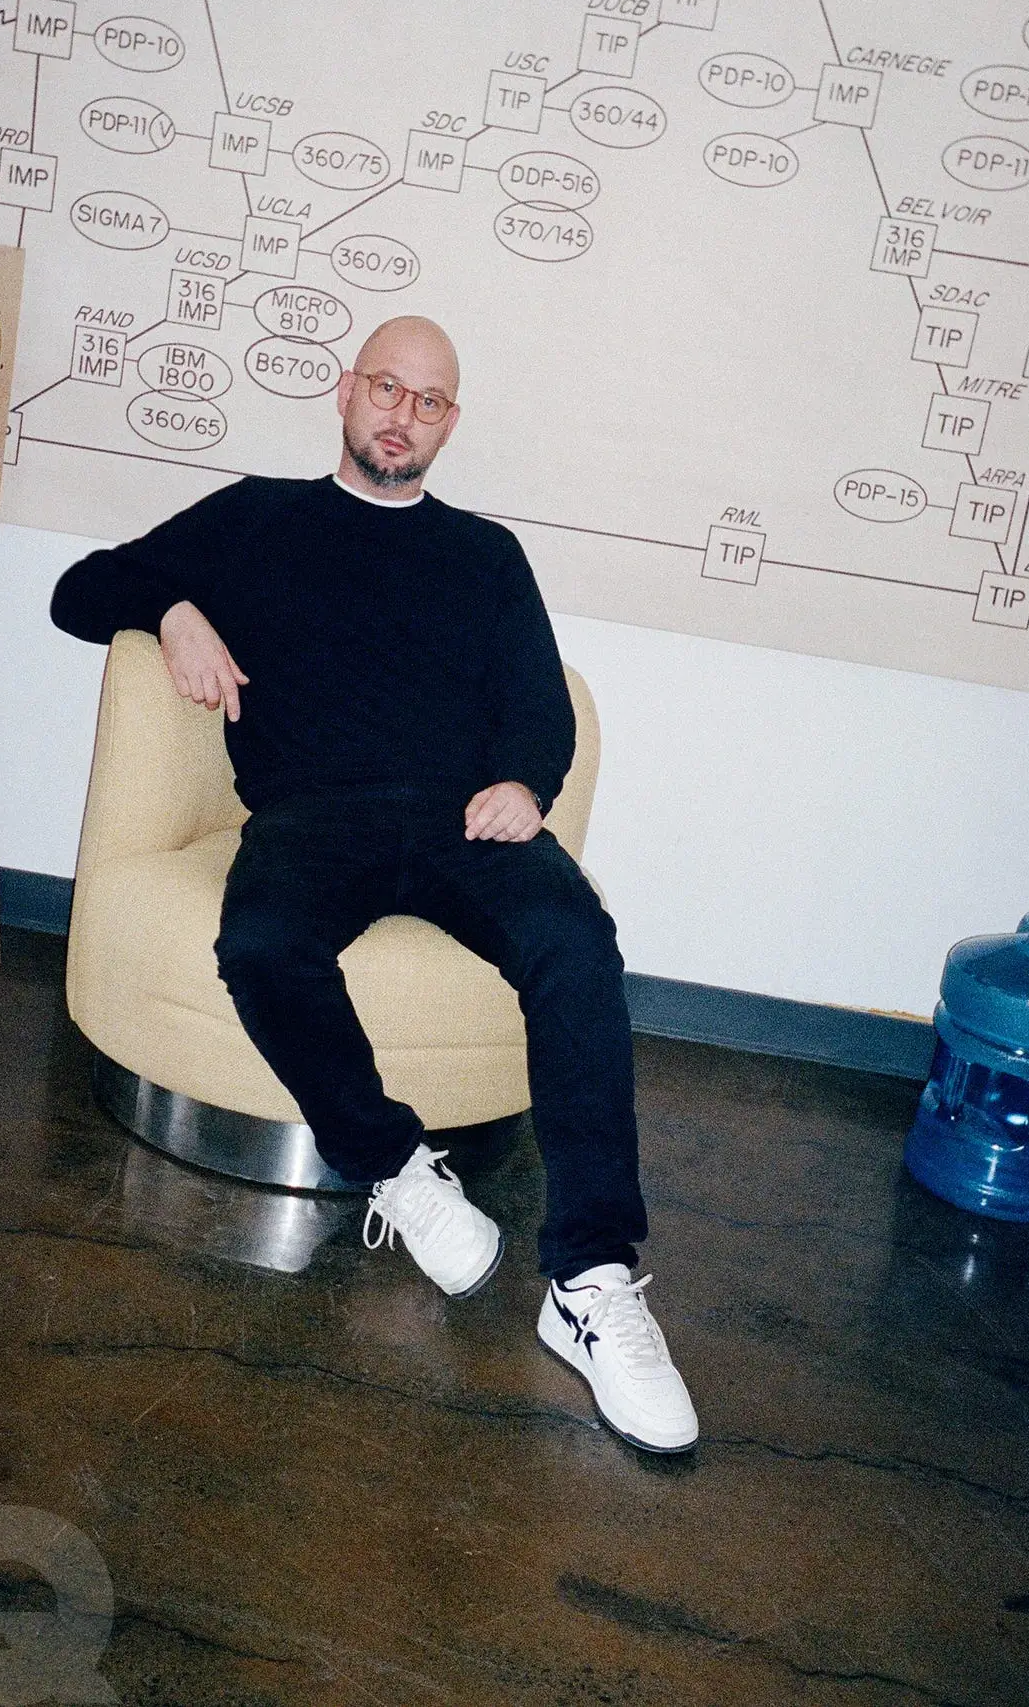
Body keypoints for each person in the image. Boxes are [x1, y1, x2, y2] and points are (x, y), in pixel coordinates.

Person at [51, 316, 697, 1453]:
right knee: (258, 944)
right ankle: (396, 1167)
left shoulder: (484, 553)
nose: (402, 413)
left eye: (429, 400)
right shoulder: (255, 518)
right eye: (386, 388)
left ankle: (588, 1279)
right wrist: (174, 607)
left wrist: (523, 782)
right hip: (310, 817)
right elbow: (78, 586)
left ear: (450, 422)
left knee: (576, 946)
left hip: (462, 817)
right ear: (345, 392)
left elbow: (537, 701)